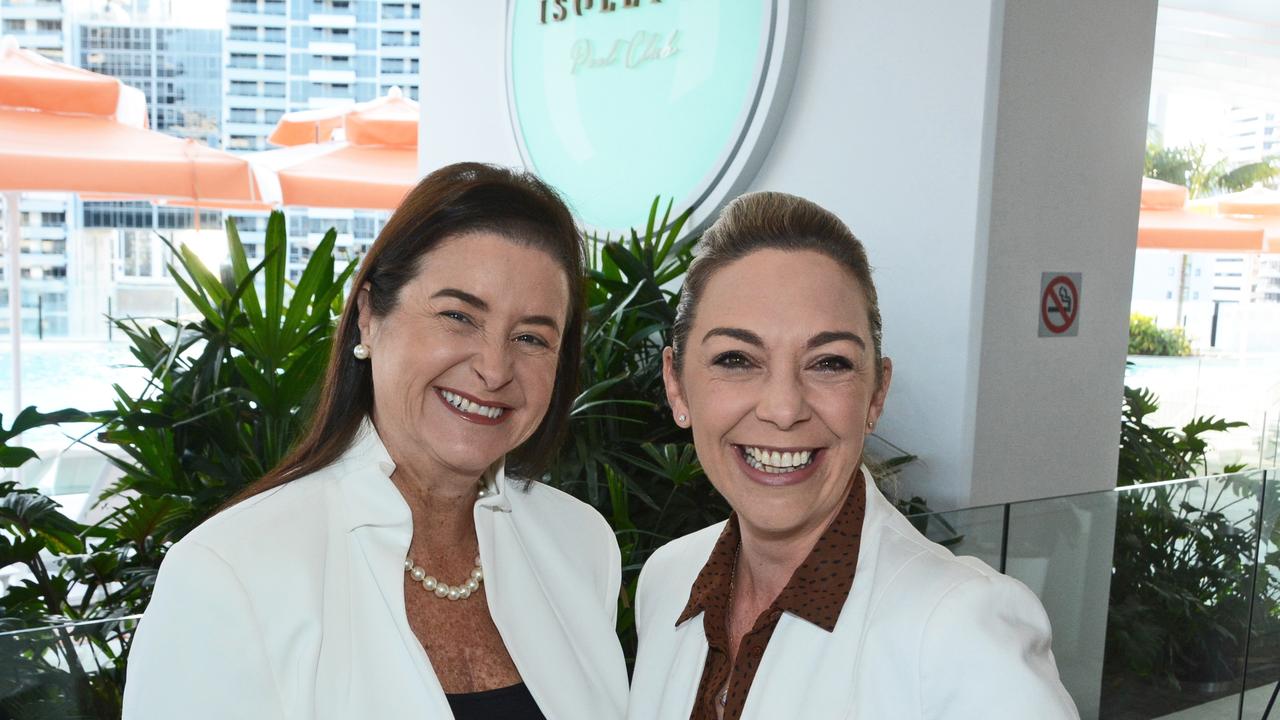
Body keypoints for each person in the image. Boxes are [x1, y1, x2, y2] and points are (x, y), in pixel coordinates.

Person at [123, 163, 628, 720]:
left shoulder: (583, 546)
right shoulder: (228, 569)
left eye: (531, 337)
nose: (494, 368)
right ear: (368, 318)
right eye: (458, 316)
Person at [627, 192, 1079, 720]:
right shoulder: (668, 582)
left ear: (875, 395)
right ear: (677, 386)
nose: (783, 408)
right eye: (736, 359)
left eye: (828, 363)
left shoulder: (959, 629)